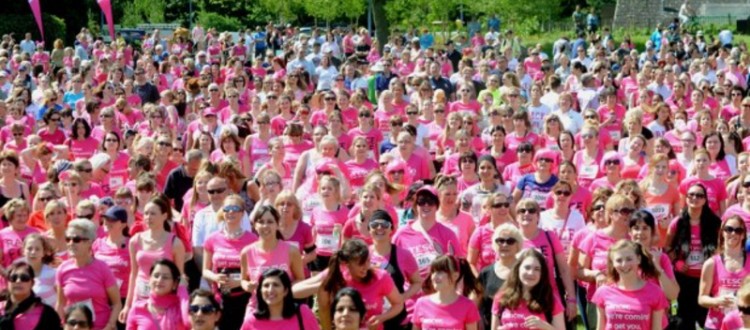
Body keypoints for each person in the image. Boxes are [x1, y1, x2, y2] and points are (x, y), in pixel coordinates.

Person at [666, 182, 721, 330]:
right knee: (682, 322)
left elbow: (722, 248)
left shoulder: (715, 223)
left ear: (705, 200)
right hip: (683, 279)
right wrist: (676, 261)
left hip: (707, 280)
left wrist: (712, 261)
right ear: (686, 198)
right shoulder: (677, 222)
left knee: (707, 322)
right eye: (691, 195)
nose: (694, 198)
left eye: (699, 195)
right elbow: (668, 247)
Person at [202, 194, 257, 330]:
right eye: (227, 208)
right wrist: (215, 277)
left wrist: (240, 282)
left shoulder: (253, 240)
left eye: (235, 208)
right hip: (221, 298)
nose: (231, 212)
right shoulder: (212, 239)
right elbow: (205, 270)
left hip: (245, 298)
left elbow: (258, 270)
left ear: (242, 213)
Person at [56, 219, 122, 330]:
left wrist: (109, 325)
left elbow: (117, 304)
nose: (71, 243)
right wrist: (63, 325)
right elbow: (60, 304)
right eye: (68, 239)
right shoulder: (63, 269)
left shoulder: (102, 268)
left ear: (89, 242)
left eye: (76, 239)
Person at [592, 240, 668, 329]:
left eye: (629, 259)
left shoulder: (655, 292)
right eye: (619, 260)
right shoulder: (603, 291)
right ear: (613, 263)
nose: (624, 264)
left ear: (638, 259)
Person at [367, 209, 421, 329]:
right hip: (370, 320)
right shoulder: (363, 255)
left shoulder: (404, 254)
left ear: (392, 229)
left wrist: (403, 297)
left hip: (397, 319)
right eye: (374, 225)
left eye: (385, 224)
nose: (379, 228)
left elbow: (417, 282)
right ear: (369, 229)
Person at [491, 248, 566, 330]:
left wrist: (545, 326)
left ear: (542, 273)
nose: (531, 273)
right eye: (527, 267)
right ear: (518, 269)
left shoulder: (551, 300)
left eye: (537, 269)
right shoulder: (501, 298)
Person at [699, 216, 750, 329]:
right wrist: (717, 301)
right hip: (715, 324)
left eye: (738, 230)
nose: (733, 233)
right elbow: (702, 298)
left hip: (742, 324)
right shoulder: (711, 263)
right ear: (722, 232)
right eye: (729, 229)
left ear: (743, 235)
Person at [412, 255, 481, 330]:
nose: (434, 276)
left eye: (440, 272)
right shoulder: (421, 303)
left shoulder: (468, 306)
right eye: (433, 272)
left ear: (455, 276)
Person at [241, 268, 320, 330]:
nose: (270, 290)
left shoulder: (302, 312)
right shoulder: (251, 320)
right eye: (266, 285)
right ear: (260, 291)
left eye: (276, 285)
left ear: (286, 290)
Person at [478, 223, 522, 330]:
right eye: (500, 241)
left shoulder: (524, 271)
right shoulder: (485, 272)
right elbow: (476, 302)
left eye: (510, 241)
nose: (505, 245)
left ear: (518, 245)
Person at [126, 259, 190, 329]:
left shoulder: (180, 308)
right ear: (149, 280)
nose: (159, 280)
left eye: (165, 277)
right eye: (156, 276)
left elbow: (188, 322)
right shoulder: (137, 309)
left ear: (174, 284)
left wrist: (182, 289)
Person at [0, 261, 62, 329]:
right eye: (13, 278)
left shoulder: (48, 314)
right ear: (7, 282)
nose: (18, 281)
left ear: (32, 283)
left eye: (24, 278)